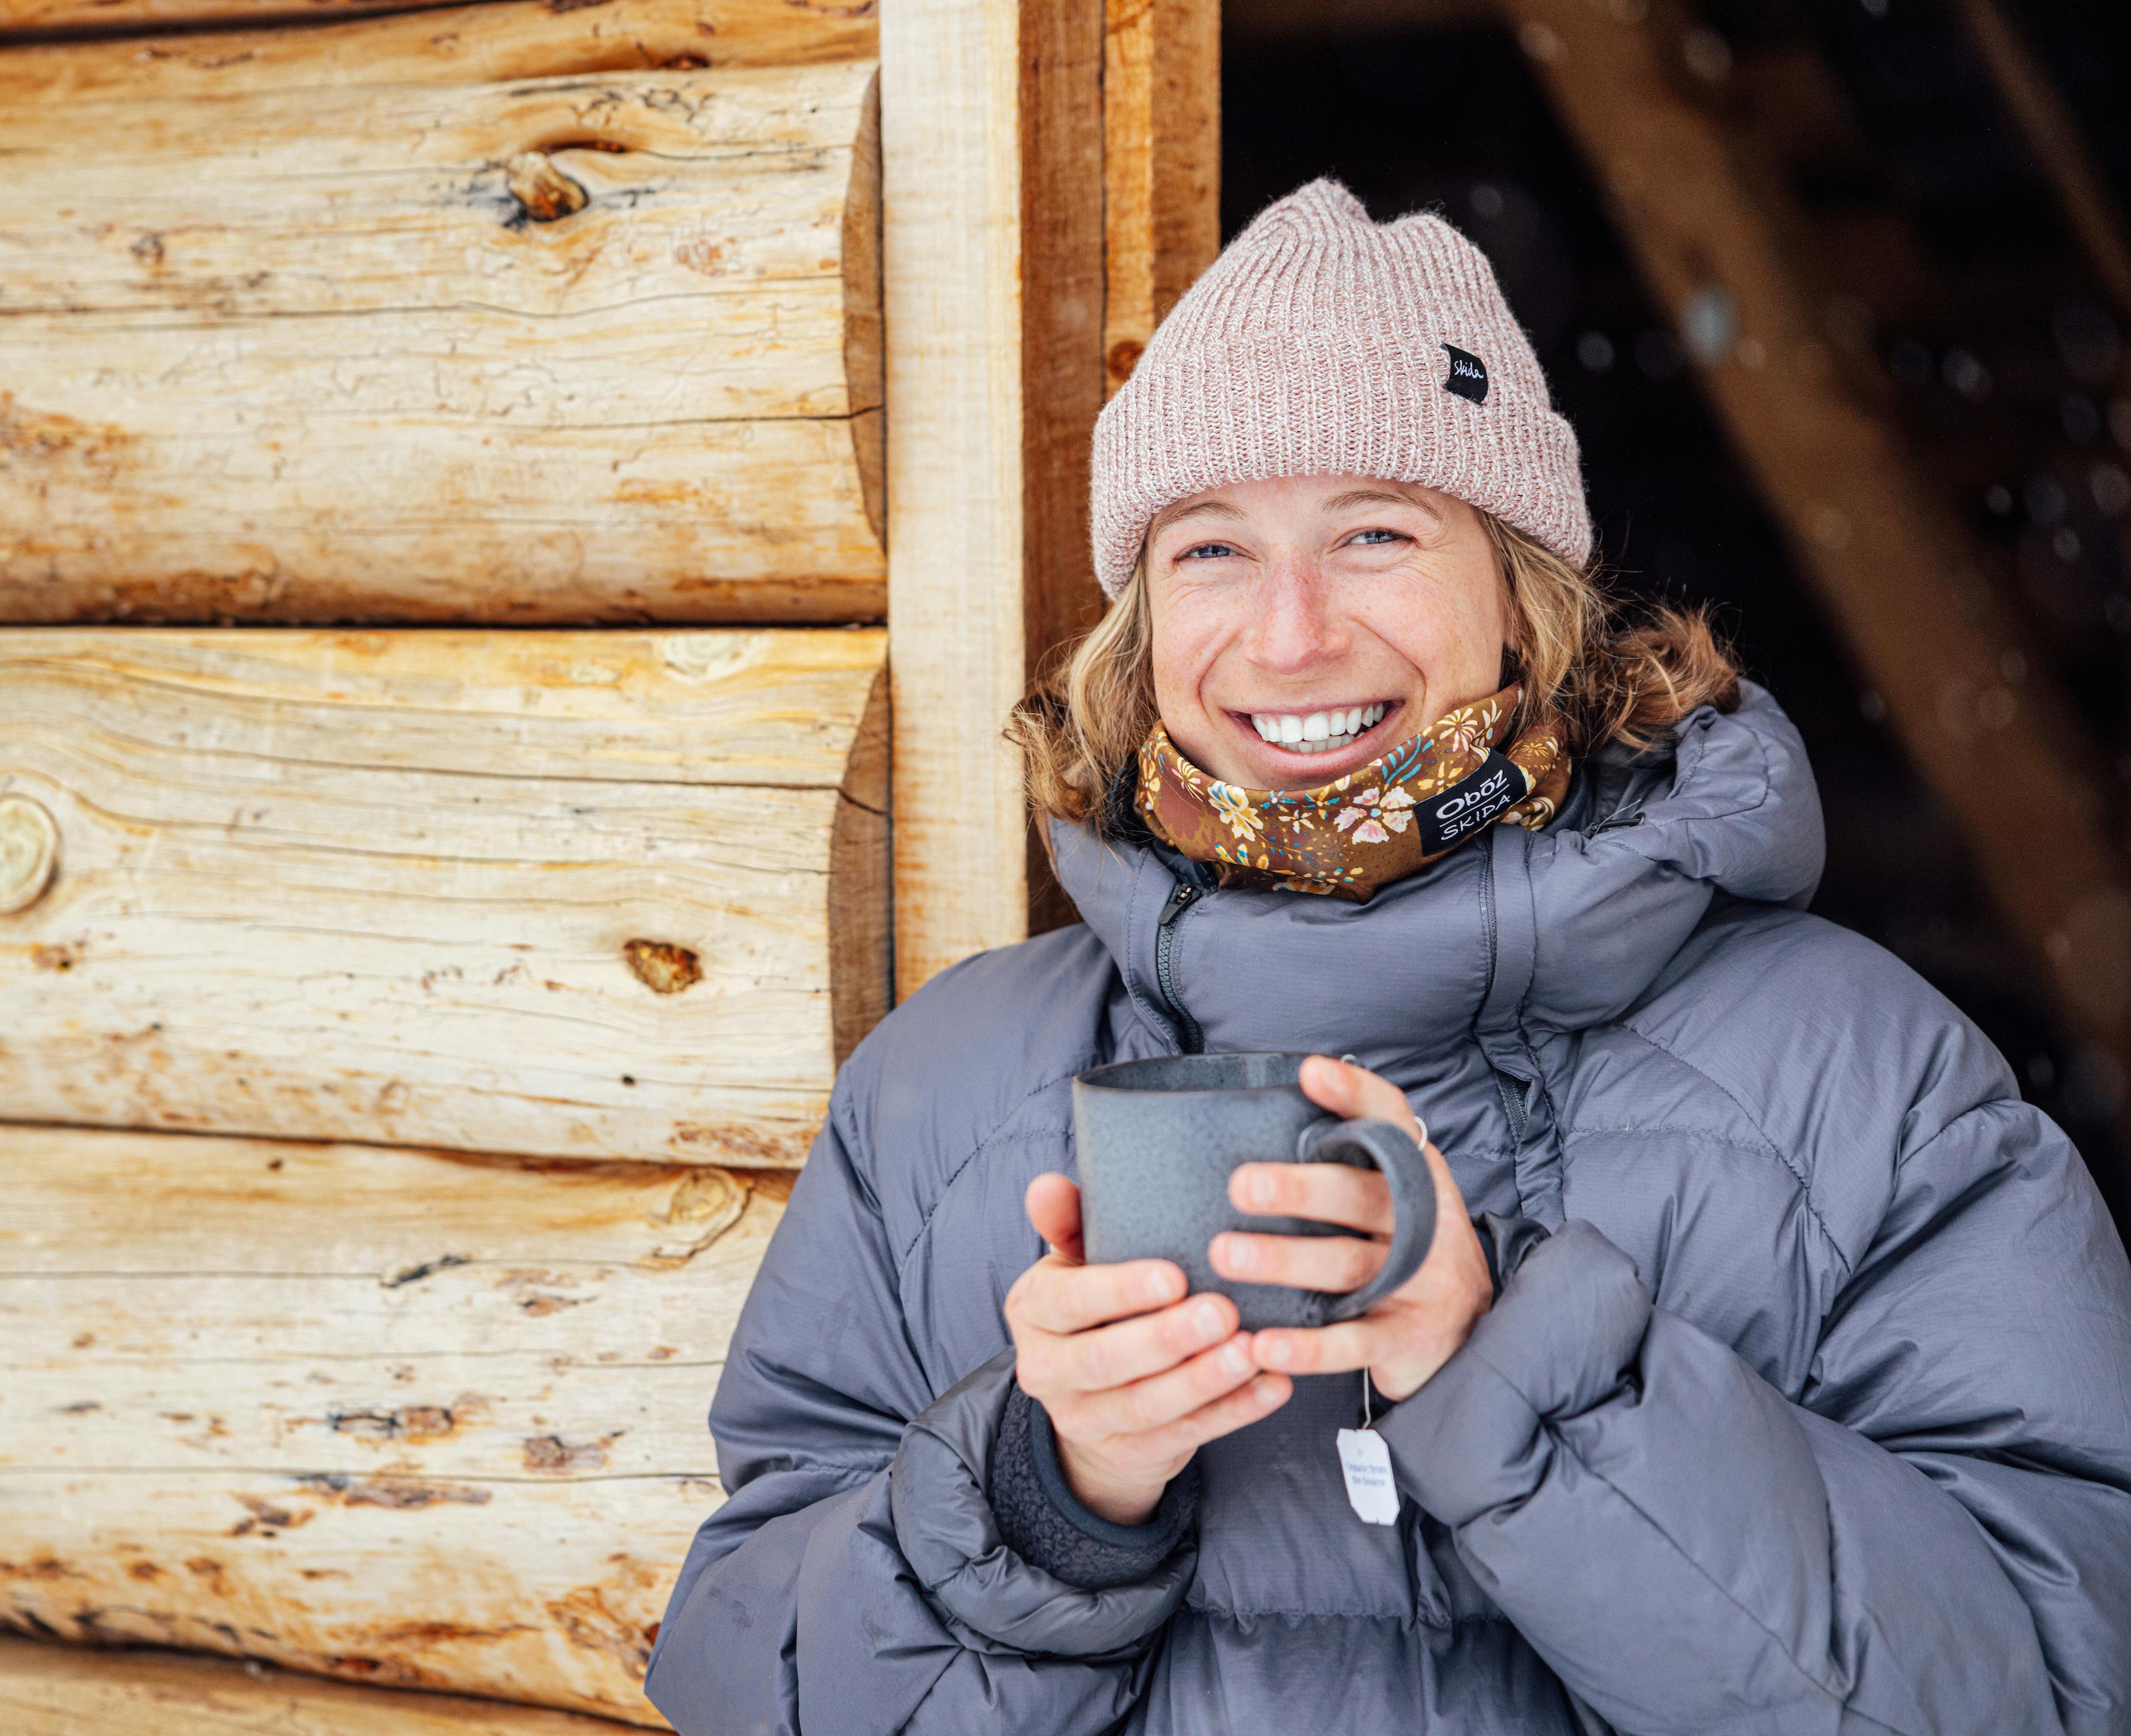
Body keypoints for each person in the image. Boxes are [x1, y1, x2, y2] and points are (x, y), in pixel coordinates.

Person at [641, 178, 2131, 1733]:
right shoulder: (939, 1092)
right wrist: (1039, 1493)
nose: (1288, 635)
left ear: (1524, 600)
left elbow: (2043, 1680)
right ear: (1137, 626)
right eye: (1210, 548)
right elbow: (748, 1678)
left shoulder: (1861, 1077)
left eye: (1372, 531)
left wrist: (1511, 1372)